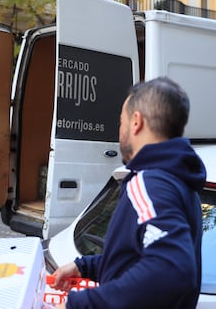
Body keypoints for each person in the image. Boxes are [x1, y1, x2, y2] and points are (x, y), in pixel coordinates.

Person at [51, 77, 206, 309]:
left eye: (120, 121)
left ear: (136, 122)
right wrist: (86, 266)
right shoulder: (180, 181)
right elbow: (138, 255)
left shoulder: (150, 182)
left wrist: (82, 305)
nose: (120, 130)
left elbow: (172, 269)